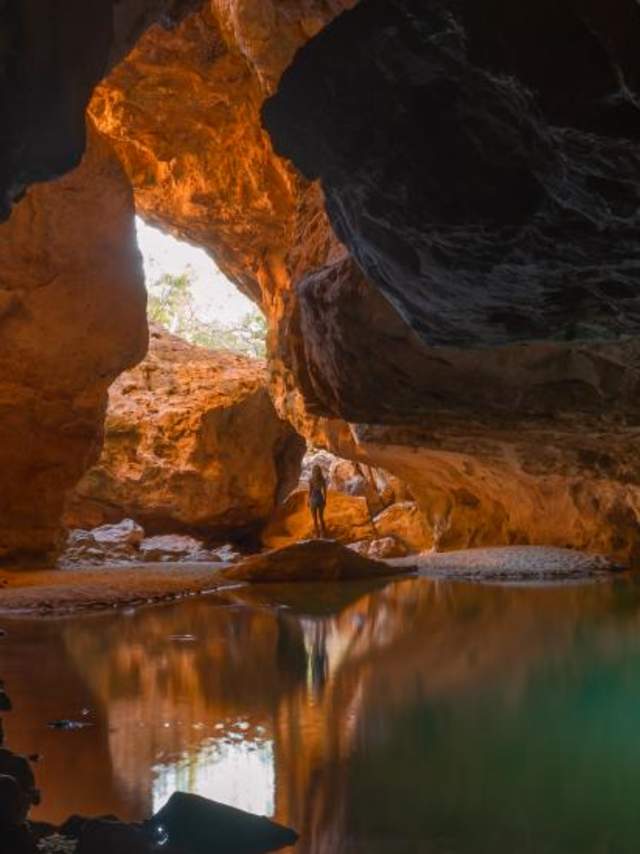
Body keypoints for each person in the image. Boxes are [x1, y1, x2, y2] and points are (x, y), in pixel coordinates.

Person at [308, 464, 327, 538]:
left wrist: (308, 500)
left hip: (313, 498)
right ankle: (323, 533)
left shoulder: (311, 480)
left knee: (315, 518)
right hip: (320, 498)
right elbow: (324, 491)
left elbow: (310, 491)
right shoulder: (322, 480)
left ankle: (317, 534)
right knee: (321, 517)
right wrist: (325, 500)